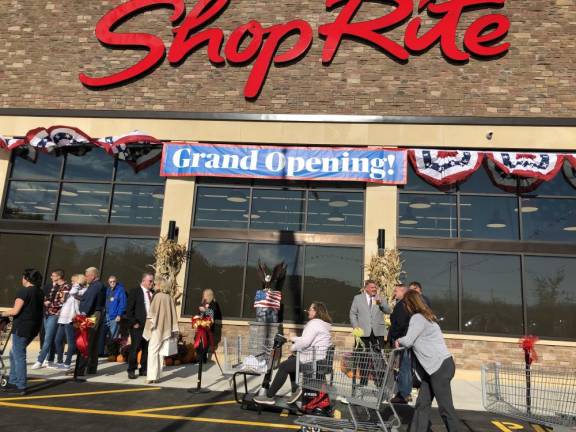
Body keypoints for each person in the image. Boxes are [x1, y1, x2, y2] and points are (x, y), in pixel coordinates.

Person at [395, 290, 463, 432]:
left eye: (405, 304)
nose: (405, 308)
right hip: (434, 369)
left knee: (445, 408)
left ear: (410, 304)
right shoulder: (427, 317)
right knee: (422, 404)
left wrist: (398, 340)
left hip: (439, 367)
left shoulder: (418, 318)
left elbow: (408, 341)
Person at [254, 302, 332, 406]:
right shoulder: (323, 324)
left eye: (310, 309)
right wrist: (290, 338)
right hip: (319, 359)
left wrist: (293, 347)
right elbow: (307, 339)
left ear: (316, 311)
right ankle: (296, 391)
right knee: (291, 360)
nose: (308, 311)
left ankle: (269, 396)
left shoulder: (314, 323)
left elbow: (305, 342)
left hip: (311, 360)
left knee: (283, 366)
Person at [0, 269, 44, 395]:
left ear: (27, 278)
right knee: (14, 353)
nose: (22, 279)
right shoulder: (39, 292)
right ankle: (14, 381)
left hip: (22, 327)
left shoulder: (24, 291)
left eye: (23, 277)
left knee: (19, 356)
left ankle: (21, 385)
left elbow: (15, 311)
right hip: (33, 327)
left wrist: (2, 314)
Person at [143, 278, 179, 384]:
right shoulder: (169, 298)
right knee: (160, 353)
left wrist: (149, 326)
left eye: (155, 284)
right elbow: (173, 315)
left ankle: (151, 376)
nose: (154, 285)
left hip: (157, 328)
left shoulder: (157, 296)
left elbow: (152, 314)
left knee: (152, 350)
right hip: (166, 328)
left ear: (160, 285)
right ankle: (157, 376)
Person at [32, 269, 69, 370]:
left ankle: (40, 360)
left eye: (53, 275)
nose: (51, 277)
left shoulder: (65, 287)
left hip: (55, 315)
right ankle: (50, 359)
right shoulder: (55, 286)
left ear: (59, 276)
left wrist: (50, 304)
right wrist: (45, 302)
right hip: (47, 314)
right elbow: (48, 297)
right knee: (48, 338)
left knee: (48, 339)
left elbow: (62, 302)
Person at [75, 267, 105, 376]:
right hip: (95, 314)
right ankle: (91, 368)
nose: (86, 278)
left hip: (92, 315)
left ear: (93, 276)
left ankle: (80, 369)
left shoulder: (95, 286)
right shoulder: (97, 285)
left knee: (86, 340)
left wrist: (82, 314)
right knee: (93, 342)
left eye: (87, 275)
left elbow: (89, 301)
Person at [55, 274, 88, 370]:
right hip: (63, 318)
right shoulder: (74, 290)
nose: (72, 283)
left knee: (70, 342)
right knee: (57, 340)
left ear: (79, 281)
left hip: (70, 318)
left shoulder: (82, 290)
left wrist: (77, 284)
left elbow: (74, 292)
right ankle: (60, 361)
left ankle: (67, 362)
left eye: (73, 281)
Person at [126, 272, 155, 379]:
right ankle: (131, 369)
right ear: (143, 281)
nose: (152, 283)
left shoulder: (153, 293)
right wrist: (134, 323)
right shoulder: (135, 292)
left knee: (147, 348)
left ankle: (143, 369)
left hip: (149, 326)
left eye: (152, 281)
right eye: (150, 281)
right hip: (137, 325)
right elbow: (129, 309)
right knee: (135, 348)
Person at [389, 284, 412, 404]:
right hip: (404, 339)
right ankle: (404, 393)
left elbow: (400, 323)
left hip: (402, 340)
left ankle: (403, 394)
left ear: (403, 291)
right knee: (404, 367)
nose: (394, 293)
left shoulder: (402, 305)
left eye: (396, 291)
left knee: (404, 367)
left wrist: (395, 337)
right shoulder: (406, 304)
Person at [98, 275, 127, 356]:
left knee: (113, 335)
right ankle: (102, 351)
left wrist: (119, 315)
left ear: (116, 281)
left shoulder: (120, 290)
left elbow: (123, 303)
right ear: (108, 282)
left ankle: (112, 354)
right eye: (110, 282)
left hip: (114, 316)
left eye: (114, 281)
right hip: (106, 314)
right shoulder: (108, 290)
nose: (112, 283)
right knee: (104, 333)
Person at [197, 288, 222, 363]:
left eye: (204, 294)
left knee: (204, 343)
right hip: (201, 325)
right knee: (198, 342)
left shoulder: (213, 303)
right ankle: (199, 358)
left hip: (208, 327)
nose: (203, 296)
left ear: (208, 295)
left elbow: (213, 313)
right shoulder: (204, 302)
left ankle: (202, 359)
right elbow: (200, 313)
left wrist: (205, 310)